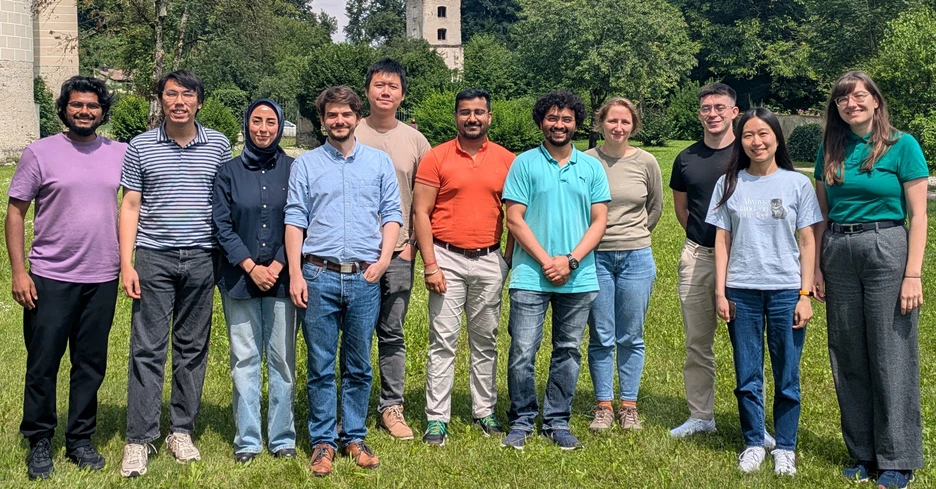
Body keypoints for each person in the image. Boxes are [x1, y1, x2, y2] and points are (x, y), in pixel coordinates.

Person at [6, 76, 125, 480]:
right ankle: (39, 439)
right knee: (43, 363)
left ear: (102, 112)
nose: (85, 112)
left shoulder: (120, 153)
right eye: (77, 105)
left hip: (103, 275)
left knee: (90, 363)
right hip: (50, 276)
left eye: (92, 106)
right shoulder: (39, 153)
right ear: (64, 109)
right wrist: (19, 272)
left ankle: (80, 438)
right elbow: (16, 213)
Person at [813, 71, 927, 489]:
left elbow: (919, 215)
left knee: (890, 353)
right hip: (838, 250)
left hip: (887, 247)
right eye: (843, 98)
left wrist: (912, 273)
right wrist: (815, 270)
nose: (851, 103)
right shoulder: (831, 147)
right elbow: (822, 215)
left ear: (875, 101)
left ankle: (897, 458)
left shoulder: (902, 145)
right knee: (848, 352)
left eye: (859, 96)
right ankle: (862, 452)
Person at [119, 70, 232, 478]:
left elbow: (224, 202)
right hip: (154, 257)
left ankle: (181, 430)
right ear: (162, 100)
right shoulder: (141, 146)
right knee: (147, 348)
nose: (179, 101)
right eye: (171, 94)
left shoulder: (218, 144)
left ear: (199, 101)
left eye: (187, 94)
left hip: (203, 257)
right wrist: (126, 262)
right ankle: (139, 438)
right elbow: (131, 204)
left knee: (192, 348)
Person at [285, 86, 402, 476]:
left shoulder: (379, 163)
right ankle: (322, 442)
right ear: (322, 121)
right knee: (320, 365)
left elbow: (391, 215)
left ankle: (354, 435)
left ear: (356, 117)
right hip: (318, 275)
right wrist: (297, 273)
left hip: (364, 276)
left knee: (358, 365)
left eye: (346, 114)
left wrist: (384, 261)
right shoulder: (305, 165)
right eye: (332, 115)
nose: (339, 121)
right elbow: (295, 220)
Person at [706, 108, 822, 476]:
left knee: (787, 374)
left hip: (787, 290)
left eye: (763, 134)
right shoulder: (729, 183)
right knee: (747, 373)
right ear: (740, 142)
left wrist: (805, 294)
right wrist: (721, 292)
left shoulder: (797, 184)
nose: (756, 142)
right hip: (742, 290)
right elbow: (721, 241)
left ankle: (785, 446)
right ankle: (755, 441)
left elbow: (807, 241)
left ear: (776, 138)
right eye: (748, 136)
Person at [500, 90, 610, 451]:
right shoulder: (524, 163)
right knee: (522, 351)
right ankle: (521, 419)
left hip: (579, 276)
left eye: (566, 119)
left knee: (568, 350)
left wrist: (571, 260)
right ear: (540, 121)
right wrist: (547, 260)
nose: (559, 125)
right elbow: (513, 218)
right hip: (531, 275)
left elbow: (599, 222)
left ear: (577, 123)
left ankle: (557, 420)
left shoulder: (592, 167)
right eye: (552, 118)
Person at [668, 83, 776, 448]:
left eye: (720, 107)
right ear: (699, 114)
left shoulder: (747, 153)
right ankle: (701, 416)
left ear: (734, 112)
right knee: (698, 341)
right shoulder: (685, 158)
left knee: (746, 345)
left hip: (747, 261)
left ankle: (756, 423)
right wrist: (710, 243)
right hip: (699, 257)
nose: (712, 114)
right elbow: (683, 210)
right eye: (705, 108)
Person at [412, 88, 516, 446]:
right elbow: (420, 213)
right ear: (455, 116)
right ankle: (437, 418)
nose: (472, 118)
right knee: (443, 341)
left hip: (489, 259)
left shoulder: (507, 160)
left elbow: (515, 214)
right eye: (465, 112)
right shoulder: (436, 157)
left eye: (479, 112)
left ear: (489, 116)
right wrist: (430, 265)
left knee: (485, 340)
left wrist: (507, 260)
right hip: (446, 259)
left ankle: (484, 410)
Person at [212, 99, 297, 463]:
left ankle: (281, 437)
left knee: (282, 360)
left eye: (271, 122)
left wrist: (276, 266)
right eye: (257, 121)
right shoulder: (227, 172)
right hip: (239, 280)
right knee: (244, 359)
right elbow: (221, 226)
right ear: (246, 125)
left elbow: (299, 220)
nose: (263, 128)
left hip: (282, 280)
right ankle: (247, 439)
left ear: (280, 127)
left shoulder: (296, 169)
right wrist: (250, 266)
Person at [355, 58, 431, 439]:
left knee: (392, 331)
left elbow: (424, 200)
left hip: (400, 252)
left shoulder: (415, 141)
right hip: (352, 254)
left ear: (402, 94)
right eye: (379, 85)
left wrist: (413, 244)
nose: (385, 92)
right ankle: (350, 407)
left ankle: (392, 406)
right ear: (367, 89)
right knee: (352, 332)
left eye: (393, 86)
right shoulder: (348, 131)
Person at [583, 97, 662, 432]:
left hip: (636, 257)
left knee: (631, 334)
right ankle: (603, 404)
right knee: (601, 334)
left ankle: (628, 404)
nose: (618, 128)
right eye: (612, 121)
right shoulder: (586, 161)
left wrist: (635, 234)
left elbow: (655, 207)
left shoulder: (647, 163)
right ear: (601, 123)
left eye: (625, 122)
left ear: (634, 126)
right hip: (595, 257)